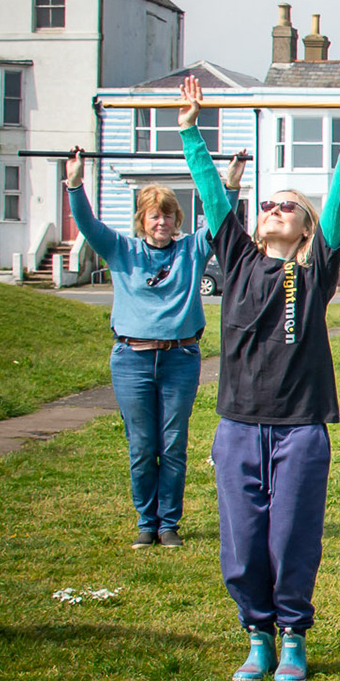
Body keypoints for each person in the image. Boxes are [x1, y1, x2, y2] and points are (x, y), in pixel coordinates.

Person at [179, 71, 340, 681]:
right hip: (238, 427)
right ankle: (256, 635)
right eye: (265, 204)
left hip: (300, 431)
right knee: (241, 545)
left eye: (285, 205)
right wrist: (190, 132)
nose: (271, 209)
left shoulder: (314, 272)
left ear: (305, 226)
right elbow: (214, 199)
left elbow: (338, 206)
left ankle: (292, 637)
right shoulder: (236, 261)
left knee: (291, 539)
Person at [62, 146, 239, 548]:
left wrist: (229, 184)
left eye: (169, 215)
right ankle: (147, 521)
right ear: (143, 220)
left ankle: (168, 524)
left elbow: (221, 221)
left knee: (173, 444)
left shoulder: (191, 250)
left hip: (180, 358)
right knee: (142, 446)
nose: (163, 222)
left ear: (178, 219)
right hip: (132, 360)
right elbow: (88, 224)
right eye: (155, 215)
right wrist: (75, 183)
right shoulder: (122, 250)